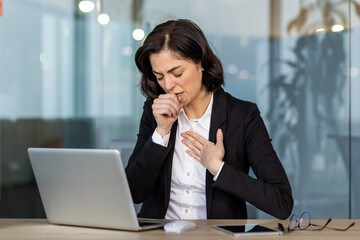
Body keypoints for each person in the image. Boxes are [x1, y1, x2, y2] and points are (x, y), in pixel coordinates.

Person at [125, 19, 293, 220]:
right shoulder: (155, 111)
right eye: (159, 76)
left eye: (177, 73)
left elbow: (281, 202)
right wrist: (161, 133)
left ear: (202, 64)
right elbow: (134, 193)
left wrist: (218, 167)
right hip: (160, 234)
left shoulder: (243, 116)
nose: (168, 85)